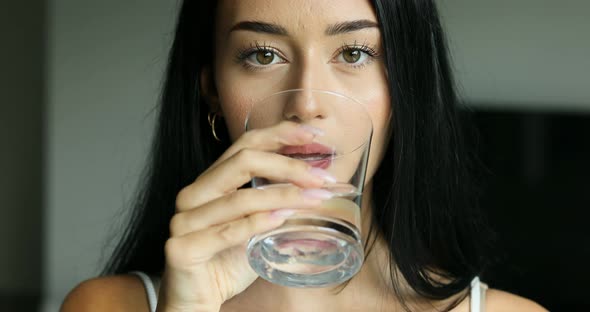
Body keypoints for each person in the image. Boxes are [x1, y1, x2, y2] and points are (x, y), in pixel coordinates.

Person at [61, 0, 547, 311]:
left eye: (354, 53)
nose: (308, 102)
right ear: (212, 90)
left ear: (406, 87)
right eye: (263, 55)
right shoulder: (104, 306)